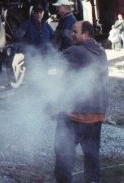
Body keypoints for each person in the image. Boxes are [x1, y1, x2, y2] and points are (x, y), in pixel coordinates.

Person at [53, 21, 109, 183]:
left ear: (86, 34)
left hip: (77, 113)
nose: (71, 35)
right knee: (92, 154)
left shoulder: (75, 51)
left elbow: (50, 64)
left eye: (75, 32)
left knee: (63, 152)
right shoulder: (101, 51)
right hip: (97, 113)